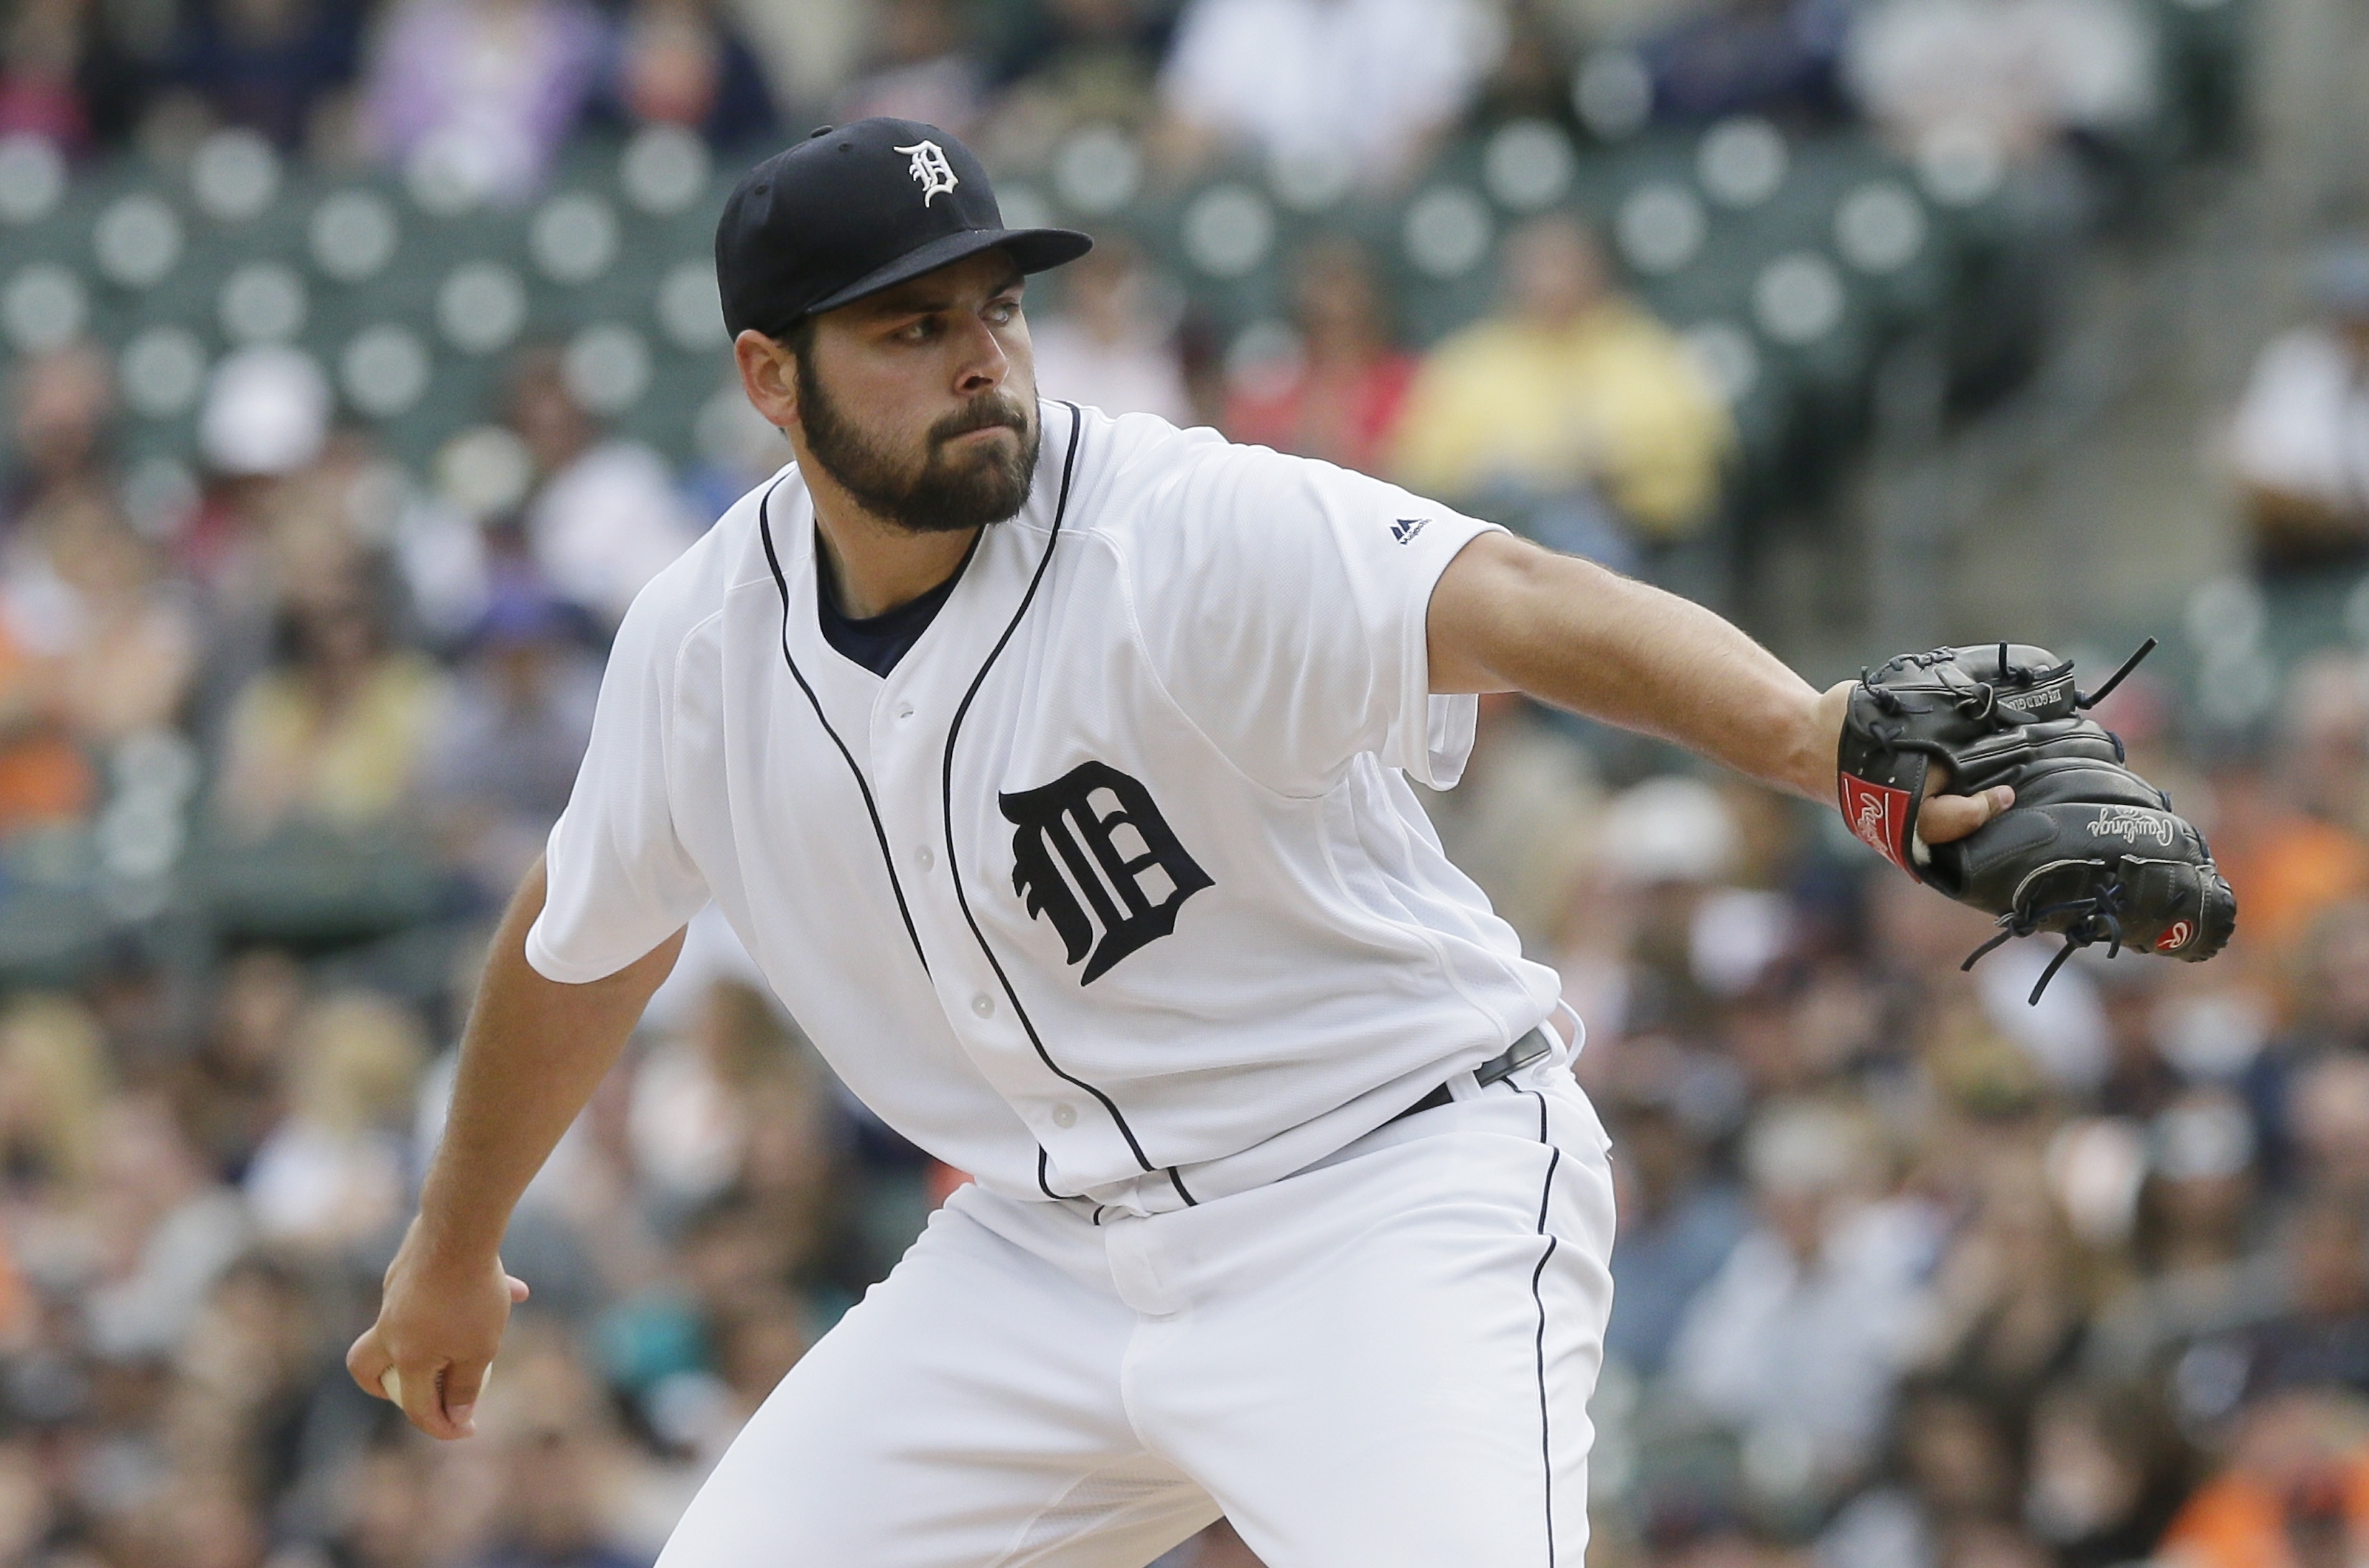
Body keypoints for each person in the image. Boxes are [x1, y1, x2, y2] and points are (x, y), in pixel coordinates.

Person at [346, 118, 2014, 1564]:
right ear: (768, 378)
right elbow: (585, 928)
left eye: (998, 309)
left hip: (1380, 1190)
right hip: (1047, 1250)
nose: (982, 360)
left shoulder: (1173, 527)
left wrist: (1808, 740)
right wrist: (452, 1249)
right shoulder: (699, 641)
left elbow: (1507, 599)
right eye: (910, 328)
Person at [1391, 214, 1734, 567]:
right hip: (1494, 544)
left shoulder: (1649, 352)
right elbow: (1421, 465)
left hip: (1630, 543)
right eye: (1532, 265)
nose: (1545, 280)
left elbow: (1690, 466)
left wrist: (1599, 465)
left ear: (1597, 270)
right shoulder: (1468, 360)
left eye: (1560, 263)